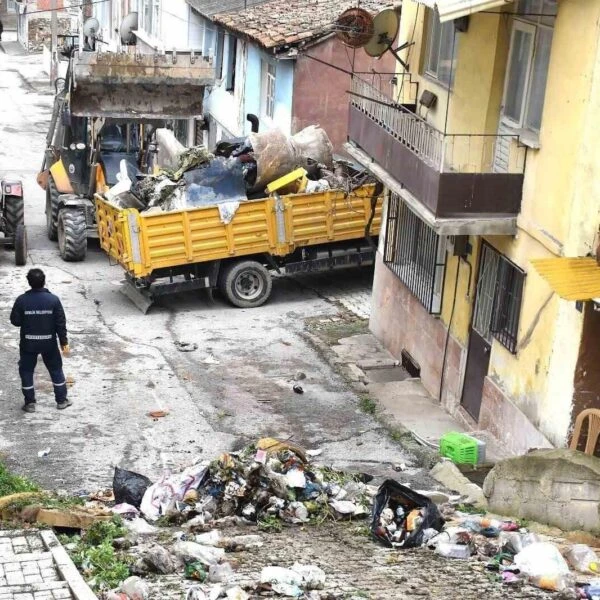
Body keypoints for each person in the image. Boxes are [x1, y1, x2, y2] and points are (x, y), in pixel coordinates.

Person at [10, 269, 72, 412]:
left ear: (29, 282)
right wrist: (64, 343)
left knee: (26, 371)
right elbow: (60, 324)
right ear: (44, 281)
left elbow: (15, 321)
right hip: (49, 343)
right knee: (56, 369)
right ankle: (61, 400)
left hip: (28, 344)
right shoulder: (53, 300)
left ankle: (30, 403)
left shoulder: (21, 300)